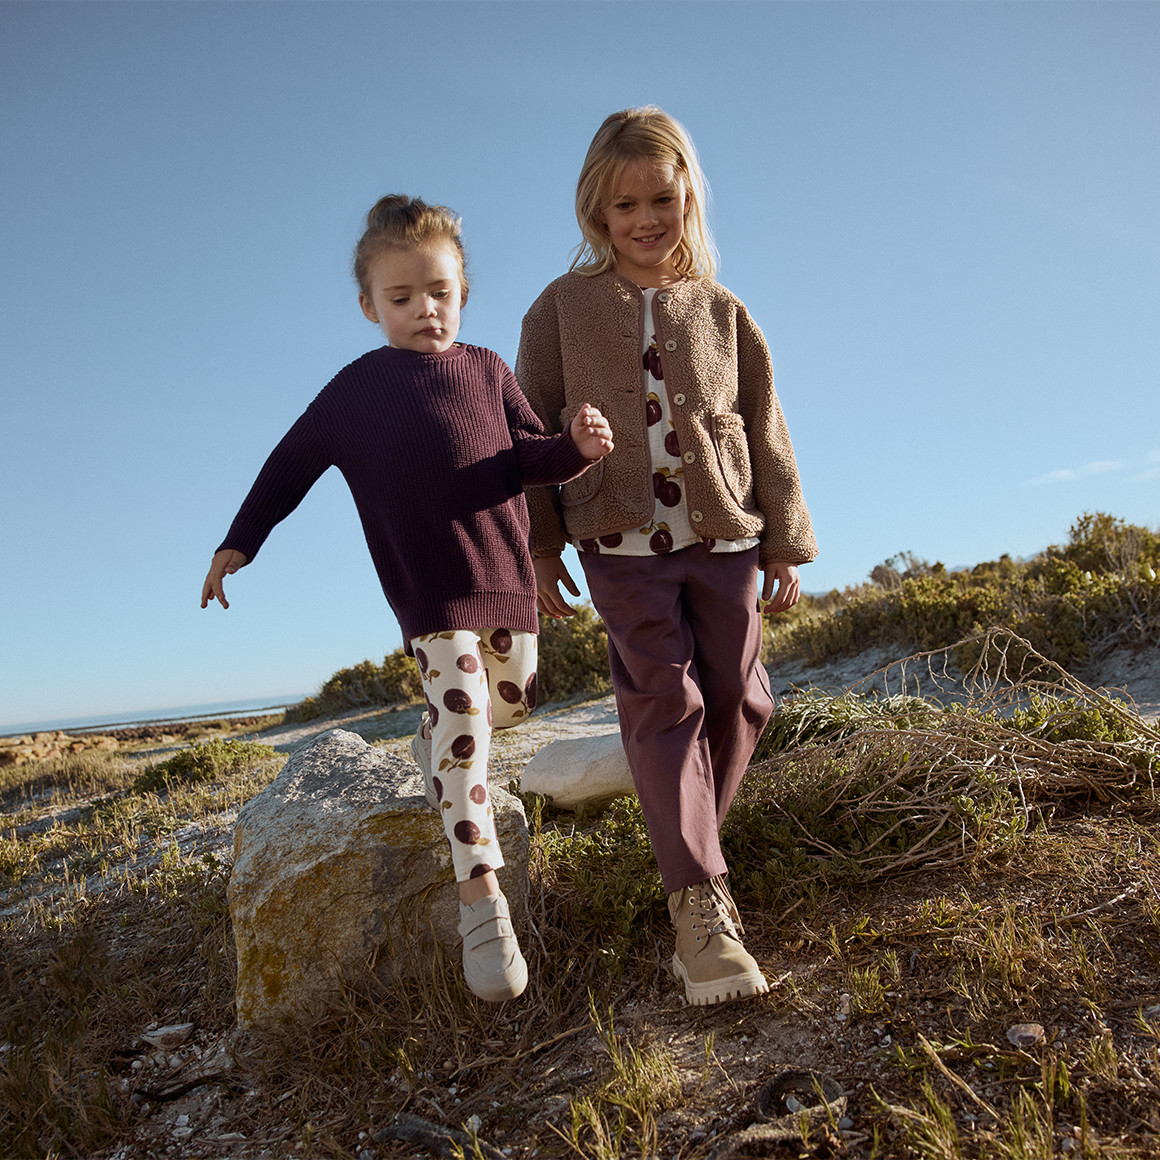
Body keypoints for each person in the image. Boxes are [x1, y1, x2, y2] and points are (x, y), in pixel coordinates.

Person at [201, 195, 613, 1003]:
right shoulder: (355, 392)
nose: (426, 309)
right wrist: (237, 542)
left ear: (462, 291)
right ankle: (481, 904)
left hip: (504, 578)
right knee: (468, 729)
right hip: (428, 593)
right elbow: (288, 465)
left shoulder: (490, 369)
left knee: (512, 705)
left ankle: (432, 741)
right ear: (368, 306)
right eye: (402, 298)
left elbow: (532, 455)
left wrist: (578, 450)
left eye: (440, 292)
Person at [516, 107, 817, 1007]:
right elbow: (527, 428)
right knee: (665, 701)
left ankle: (690, 848)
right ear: (595, 214)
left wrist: (785, 537)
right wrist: (537, 542)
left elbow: (765, 424)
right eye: (625, 206)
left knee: (741, 695)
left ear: (688, 197)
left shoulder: (724, 312)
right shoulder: (561, 309)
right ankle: (699, 909)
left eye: (663, 198)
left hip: (725, 534)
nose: (646, 219)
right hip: (618, 538)